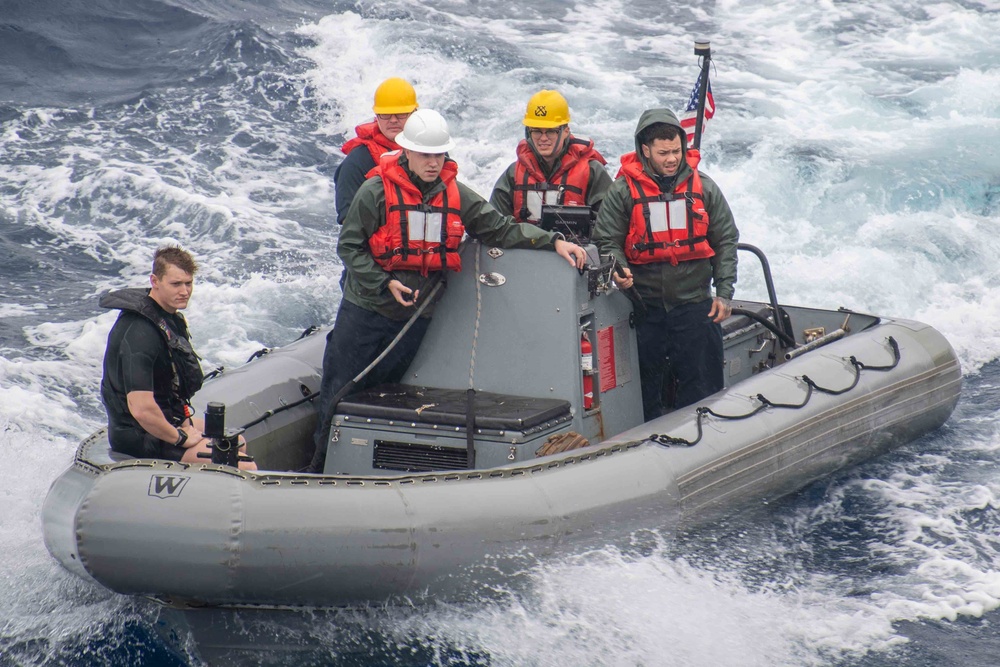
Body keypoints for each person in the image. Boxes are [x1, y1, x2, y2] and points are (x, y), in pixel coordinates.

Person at [309, 109, 588, 473]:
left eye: (439, 155)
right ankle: (317, 470)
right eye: (425, 155)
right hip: (366, 313)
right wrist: (383, 282)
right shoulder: (375, 191)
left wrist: (552, 242)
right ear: (407, 152)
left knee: (385, 398)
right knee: (337, 393)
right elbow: (350, 247)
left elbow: (499, 228)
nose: (433, 162)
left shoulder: (454, 194)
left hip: (416, 318)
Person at [592, 108, 739, 421]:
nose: (672, 159)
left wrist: (725, 291)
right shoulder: (622, 192)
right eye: (664, 153)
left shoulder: (705, 188)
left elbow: (726, 239)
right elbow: (606, 241)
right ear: (645, 151)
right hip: (644, 309)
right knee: (645, 388)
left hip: (695, 305)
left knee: (702, 383)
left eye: (677, 151)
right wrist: (619, 268)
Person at [100, 246, 257, 470]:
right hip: (140, 436)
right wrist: (180, 437)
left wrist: (184, 423)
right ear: (155, 281)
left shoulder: (166, 317)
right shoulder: (139, 334)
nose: (184, 291)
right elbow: (141, 409)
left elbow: (169, 389)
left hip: (167, 421)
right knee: (246, 467)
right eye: (176, 284)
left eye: (188, 283)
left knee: (238, 442)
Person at [490, 89, 612, 227]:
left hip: (577, 247)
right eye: (536, 131)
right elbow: (496, 224)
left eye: (550, 131)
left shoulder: (593, 171)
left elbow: (608, 226)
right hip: (524, 247)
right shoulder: (513, 173)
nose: (543, 138)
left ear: (565, 131)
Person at [334, 77, 419, 225]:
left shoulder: (433, 150)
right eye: (385, 114)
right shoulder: (357, 162)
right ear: (376, 116)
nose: (393, 120)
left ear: (414, 113)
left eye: (401, 114)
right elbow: (349, 224)